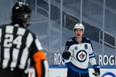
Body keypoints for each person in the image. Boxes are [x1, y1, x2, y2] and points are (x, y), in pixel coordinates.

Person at [0, 2, 48, 77]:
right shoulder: (29, 36)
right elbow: (41, 60)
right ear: (27, 18)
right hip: (18, 73)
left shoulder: (1, 30)